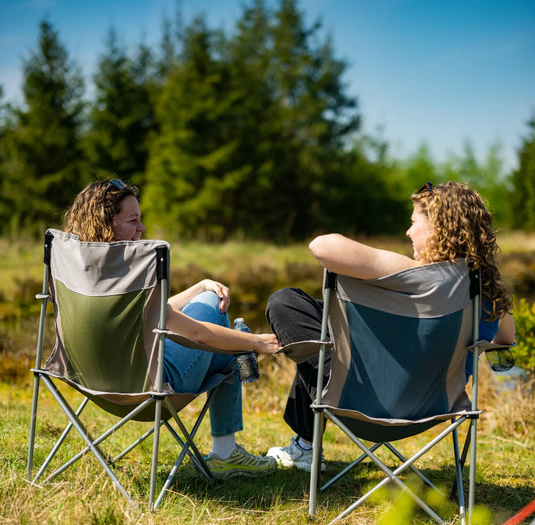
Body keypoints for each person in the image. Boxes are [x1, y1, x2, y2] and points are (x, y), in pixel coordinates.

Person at [265, 181, 515, 472]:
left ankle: (305, 445)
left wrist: (406, 267)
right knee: (327, 329)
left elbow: (321, 245)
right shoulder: (482, 293)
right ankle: (305, 445)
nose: (408, 232)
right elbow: (505, 337)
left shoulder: (407, 272)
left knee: (287, 303)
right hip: (434, 408)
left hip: (354, 400)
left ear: (439, 227)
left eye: (413, 223)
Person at [63, 179, 280, 479]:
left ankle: (228, 449)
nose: (141, 229)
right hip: (148, 390)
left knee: (224, 339)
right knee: (218, 318)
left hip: (90, 384)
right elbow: (198, 334)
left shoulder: (79, 272)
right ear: (106, 225)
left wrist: (199, 285)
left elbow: (156, 313)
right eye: (133, 221)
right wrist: (256, 341)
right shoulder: (131, 277)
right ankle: (226, 453)